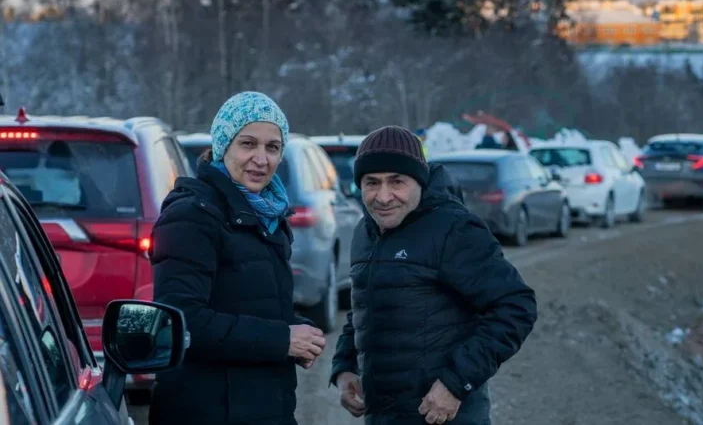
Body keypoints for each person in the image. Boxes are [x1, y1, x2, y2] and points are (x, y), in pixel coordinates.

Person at [331, 126, 537, 425]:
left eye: (397, 182)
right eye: (371, 183)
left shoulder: (454, 229)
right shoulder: (366, 232)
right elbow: (364, 305)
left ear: (420, 181)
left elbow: (516, 306)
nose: (383, 197)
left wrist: (456, 382)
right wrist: (345, 365)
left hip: (444, 416)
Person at [148, 91, 326, 425]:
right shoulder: (192, 216)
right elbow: (183, 322)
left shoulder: (267, 216)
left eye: (272, 147)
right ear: (223, 146)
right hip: (206, 412)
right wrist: (282, 339)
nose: (261, 158)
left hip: (263, 406)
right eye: (248, 144)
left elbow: (249, 304)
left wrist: (298, 328)